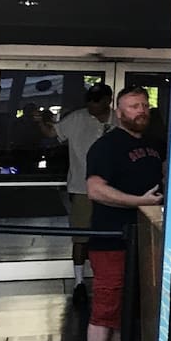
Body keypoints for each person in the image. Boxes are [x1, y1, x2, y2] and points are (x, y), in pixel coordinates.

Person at [84, 87, 163, 341]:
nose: (140, 110)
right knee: (106, 309)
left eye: (144, 105)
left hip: (144, 240)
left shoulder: (155, 145)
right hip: (111, 240)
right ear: (119, 112)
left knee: (127, 311)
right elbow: (95, 190)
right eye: (133, 106)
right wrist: (139, 202)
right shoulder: (106, 146)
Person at [57, 83, 113, 306]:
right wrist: (41, 120)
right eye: (90, 99)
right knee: (80, 237)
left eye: (97, 100)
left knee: (111, 236)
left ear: (108, 100)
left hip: (114, 190)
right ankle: (79, 282)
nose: (92, 104)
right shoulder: (77, 118)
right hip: (82, 188)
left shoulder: (119, 120)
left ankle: (106, 280)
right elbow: (55, 132)